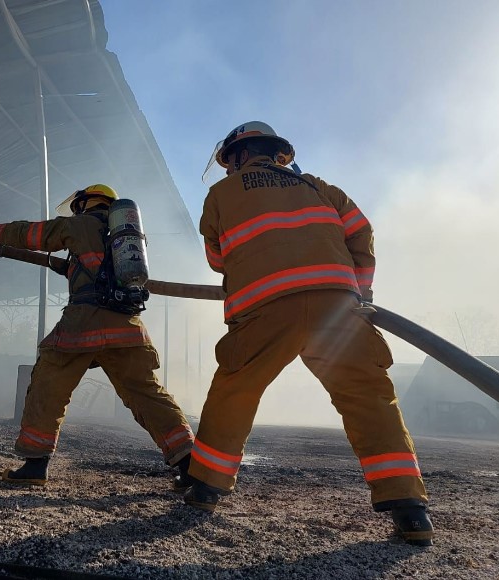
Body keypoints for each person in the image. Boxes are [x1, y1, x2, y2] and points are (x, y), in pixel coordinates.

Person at [187, 121, 434, 546]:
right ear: (277, 153)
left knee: (236, 391)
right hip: (338, 309)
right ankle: (410, 509)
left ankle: (207, 488)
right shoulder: (321, 188)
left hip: (264, 308)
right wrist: (361, 288)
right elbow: (362, 233)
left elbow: (216, 256)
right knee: (369, 397)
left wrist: (253, 263)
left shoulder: (221, 194)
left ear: (239, 155)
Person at [0, 184, 194, 488]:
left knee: (48, 384)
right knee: (147, 395)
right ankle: (190, 464)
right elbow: (83, 268)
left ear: (86, 203)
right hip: (127, 328)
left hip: (85, 323)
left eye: (77, 206)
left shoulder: (81, 225)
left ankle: (35, 464)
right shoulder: (124, 240)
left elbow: (35, 235)